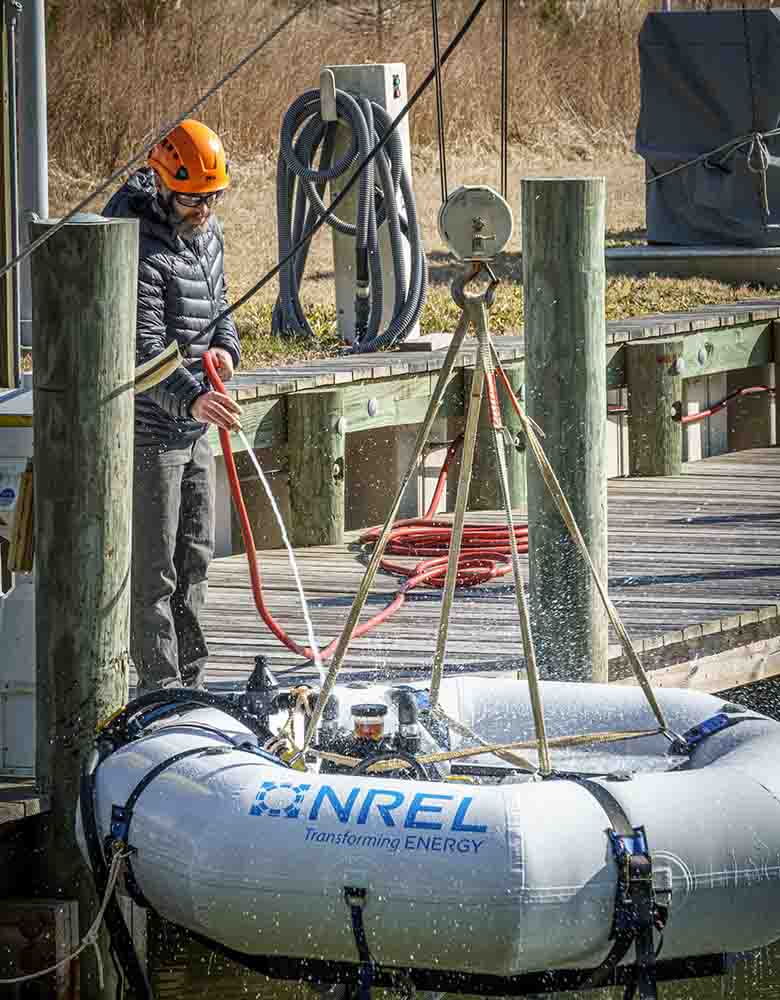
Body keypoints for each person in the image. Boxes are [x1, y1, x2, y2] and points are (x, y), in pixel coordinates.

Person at [103, 119, 242, 695]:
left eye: (211, 199)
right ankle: (159, 691)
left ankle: (194, 684)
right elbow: (140, 354)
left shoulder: (208, 237)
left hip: (195, 427)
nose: (203, 210)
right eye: (192, 199)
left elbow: (222, 308)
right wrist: (194, 398)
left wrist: (228, 353)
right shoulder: (137, 247)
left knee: (196, 561)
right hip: (152, 432)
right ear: (162, 185)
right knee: (155, 572)